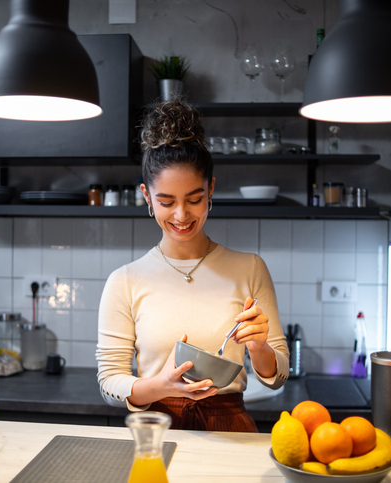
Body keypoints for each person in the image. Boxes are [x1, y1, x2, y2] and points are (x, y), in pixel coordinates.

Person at [96, 100, 289, 432]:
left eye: (194, 199)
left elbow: (277, 377)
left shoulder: (250, 268)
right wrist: (160, 386)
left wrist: (259, 348)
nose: (182, 216)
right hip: (155, 429)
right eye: (166, 202)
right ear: (146, 196)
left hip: (230, 430)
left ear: (211, 189)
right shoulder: (124, 281)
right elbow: (109, 382)